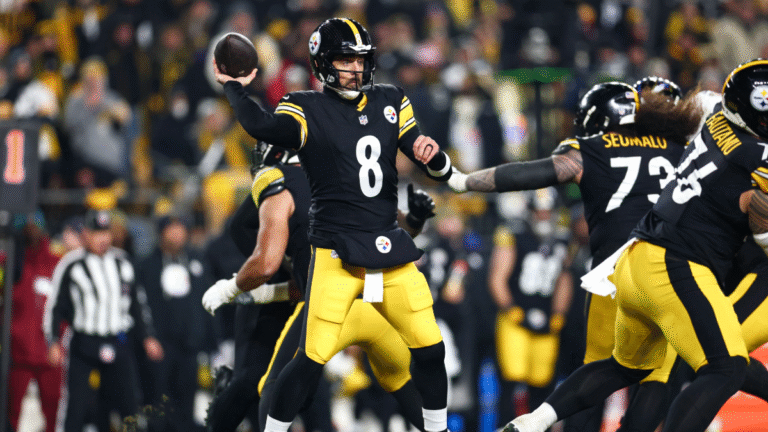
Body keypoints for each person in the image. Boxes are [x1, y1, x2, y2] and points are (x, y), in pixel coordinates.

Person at [495, 58, 768, 432]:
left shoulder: (713, 123)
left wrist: (460, 179)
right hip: (686, 266)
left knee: (627, 365)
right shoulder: (743, 149)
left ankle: (534, 421)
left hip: (629, 263)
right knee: (720, 362)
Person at [214, 17, 454, 432]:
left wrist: (431, 156)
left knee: (427, 353)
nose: (356, 70)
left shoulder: (390, 100)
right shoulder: (306, 111)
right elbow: (263, 126)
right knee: (322, 368)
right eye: (346, 61)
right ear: (323, 62)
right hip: (338, 261)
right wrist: (235, 88)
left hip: (384, 255)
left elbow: (419, 148)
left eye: (360, 61)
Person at [450, 80, 699, 430]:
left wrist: (462, 181)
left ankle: (542, 422)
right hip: (671, 275)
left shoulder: (593, 148)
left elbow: (530, 173)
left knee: (597, 369)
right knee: (662, 376)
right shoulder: (680, 147)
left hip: (614, 273)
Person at [202, 142, 437, 432]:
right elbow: (250, 243)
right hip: (294, 295)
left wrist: (414, 219)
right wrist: (284, 267)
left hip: (323, 296)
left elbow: (391, 232)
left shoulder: (329, 183)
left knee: (304, 388)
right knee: (255, 382)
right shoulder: (283, 187)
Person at [44, 209, 164, 432]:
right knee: (76, 406)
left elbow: (137, 304)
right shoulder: (71, 265)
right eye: (97, 233)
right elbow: (55, 307)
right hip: (84, 342)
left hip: (118, 340)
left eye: (105, 233)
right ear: (86, 235)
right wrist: (52, 341)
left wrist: (148, 337)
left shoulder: (123, 262)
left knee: (128, 402)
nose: (102, 238)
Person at [136, 215, 214, 432]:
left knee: (186, 403)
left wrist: (208, 340)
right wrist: (147, 336)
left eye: (181, 229)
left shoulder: (197, 261)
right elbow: (139, 305)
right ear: (161, 233)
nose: (177, 234)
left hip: (189, 345)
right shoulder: (146, 265)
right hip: (159, 346)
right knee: (158, 402)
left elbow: (206, 302)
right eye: (172, 229)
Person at [7, 211, 62, 432]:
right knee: (11, 413)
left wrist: (59, 341)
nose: (31, 230)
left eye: (35, 225)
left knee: (53, 411)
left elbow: (65, 308)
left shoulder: (58, 263)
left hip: (49, 353)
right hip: (17, 352)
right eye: (25, 226)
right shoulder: (9, 264)